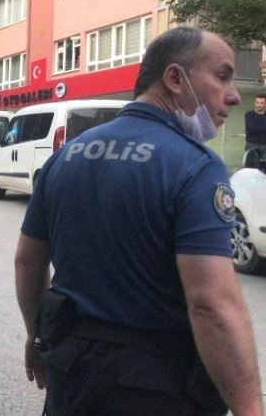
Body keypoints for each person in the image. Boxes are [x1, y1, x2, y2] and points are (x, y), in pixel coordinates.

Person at [15, 27, 262, 415]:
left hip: (71, 377)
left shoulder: (66, 156)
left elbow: (28, 262)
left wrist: (38, 335)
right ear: (175, 78)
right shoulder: (196, 167)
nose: (232, 95)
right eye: (222, 76)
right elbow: (212, 304)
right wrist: (250, 408)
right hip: (156, 387)